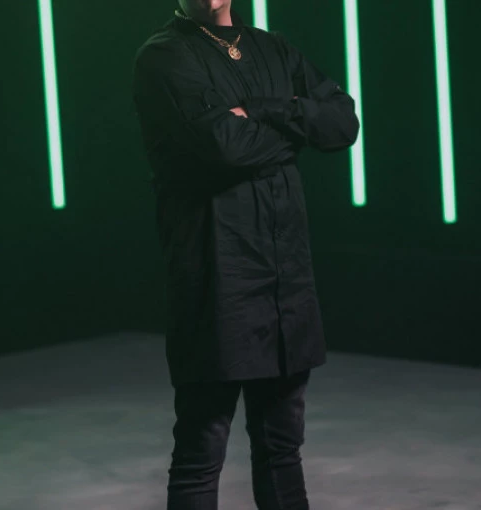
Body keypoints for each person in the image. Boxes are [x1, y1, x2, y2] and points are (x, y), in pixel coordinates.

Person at [132, 1, 359, 508]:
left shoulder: (272, 48)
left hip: (285, 275)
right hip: (218, 273)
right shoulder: (164, 56)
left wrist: (262, 110)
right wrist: (297, 130)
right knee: (201, 449)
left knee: (283, 449)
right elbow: (227, 146)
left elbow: (343, 123)